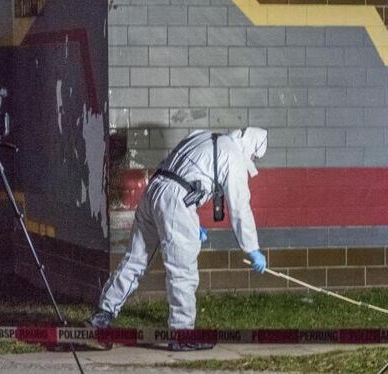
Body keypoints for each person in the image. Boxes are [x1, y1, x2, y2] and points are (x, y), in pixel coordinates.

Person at [87, 127, 268, 351]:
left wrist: (189, 221)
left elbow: (185, 172)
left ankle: (103, 314)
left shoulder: (204, 136)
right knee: (183, 271)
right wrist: (252, 248)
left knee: (135, 259)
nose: (251, 160)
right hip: (176, 202)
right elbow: (240, 208)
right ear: (251, 149)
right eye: (253, 157)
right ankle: (182, 334)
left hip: (156, 189)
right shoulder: (234, 157)